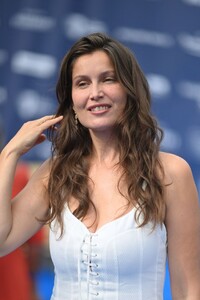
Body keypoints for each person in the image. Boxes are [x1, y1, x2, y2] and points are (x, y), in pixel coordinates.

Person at [0, 32, 199, 300]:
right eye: (82, 83)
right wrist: (9, 153)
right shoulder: (55, 173)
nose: (95, 93)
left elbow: (188, 289)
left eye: (108, 79)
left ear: (129, 89)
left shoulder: (170, 174)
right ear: (72, 99)